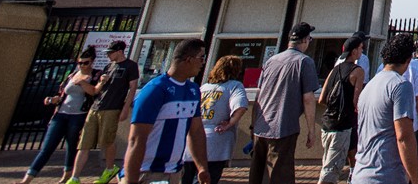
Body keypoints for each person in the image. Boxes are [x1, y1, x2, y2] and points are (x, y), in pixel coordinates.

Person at [122, 38, 208, 184]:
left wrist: (202, 167)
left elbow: (196, 130)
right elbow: (136, 138)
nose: (203, 63)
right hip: (147, 172)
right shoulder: (155, 90)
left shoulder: (193, 90)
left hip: (174, 172)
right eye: (201, 58)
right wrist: (131, 179)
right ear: (188, 59)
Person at [249, 22, 318, 184]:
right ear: (305, 40)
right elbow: (308, 99)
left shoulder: (271, 61)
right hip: (283, 128)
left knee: (257, 174)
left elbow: (260, 95)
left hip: (261, 126)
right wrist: (311, 130)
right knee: (281, 175)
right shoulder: (304, 62)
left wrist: (253, 125)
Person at [21, 48, 100, 184]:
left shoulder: (95, 75)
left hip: (78, 115)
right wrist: (53, 99)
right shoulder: (72, 75)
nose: (82, 65)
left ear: (92, 62)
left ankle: (66, 177)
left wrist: (82, 82)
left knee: (71, 147)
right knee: (47, 147)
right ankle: (27, 179)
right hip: (61, 113)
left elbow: (93, 92)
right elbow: (63, 93)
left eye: (85, 63)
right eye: (79, 63)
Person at [352, 34, 418, 184]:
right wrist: (416, 180)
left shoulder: (370, 85)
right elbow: (404, 136)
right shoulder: (401, 85)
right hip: (385, 175)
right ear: (408, 60)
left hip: (360, 172)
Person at [69, 39, 139, 184]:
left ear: (119, 51)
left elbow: (132, 88)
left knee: (107, 141)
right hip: (96, 107)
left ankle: (109, 169)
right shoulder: (108, 67)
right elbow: (95, 91)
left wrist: (125, 108)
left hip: (112, 108)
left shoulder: (130, 66)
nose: (108, 55)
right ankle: (74, 178)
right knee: (84, 143)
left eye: (111, 52)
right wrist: (98, 81)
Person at [181, 56, 248, 184]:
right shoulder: (234, 86)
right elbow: (240, 106)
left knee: (188, 178)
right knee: (209, 178)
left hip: (193, 141)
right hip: (216, 140)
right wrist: (230, 123)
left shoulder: (203, 88)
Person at [318, 37, 364, 184]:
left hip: (327, 124)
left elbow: (322, 99)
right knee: (331, 170)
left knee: (327, 162)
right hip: (343, 124)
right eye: (361, 48)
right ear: (355, 51)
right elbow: (356, 101)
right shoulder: (358, 71)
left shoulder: (335, 70)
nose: (362, 51)